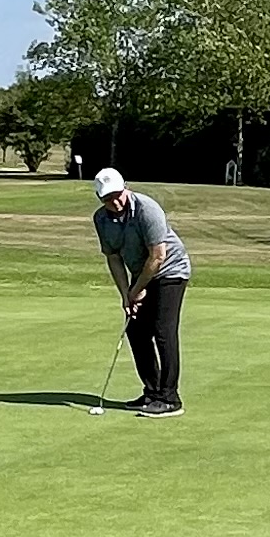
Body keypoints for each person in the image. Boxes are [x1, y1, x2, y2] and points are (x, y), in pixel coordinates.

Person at [90, 166, 193, 417]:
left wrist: (137, 289)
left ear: (125, 187)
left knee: (163, 330)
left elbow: (158, 256)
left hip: (171, 270)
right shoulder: (101, 219)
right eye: (107, 199)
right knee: (136, 330)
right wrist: (126, 294)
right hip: (141, 273)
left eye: (117, 195)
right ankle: (152, 392)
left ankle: (170, 398)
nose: (114, 202)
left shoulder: (147, 209)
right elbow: (113, 257)